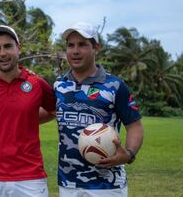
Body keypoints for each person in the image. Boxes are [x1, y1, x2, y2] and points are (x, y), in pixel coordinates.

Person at [53, 22, 144, 197]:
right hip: (68, 183)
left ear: (96, 48)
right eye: (70, 45)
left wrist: (129, 154)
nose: (75, 51)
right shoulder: (59, 85)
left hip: (107, 186)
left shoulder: (115, 86)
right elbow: (43, 113)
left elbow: (135, 126)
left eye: (82, 45)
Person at [0, 25, 56, 197]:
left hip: (30, 177)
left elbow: (53, 111)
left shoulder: (37, 84)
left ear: (18, 48)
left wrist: (26, 119)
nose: (3, 53)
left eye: (8, 46)